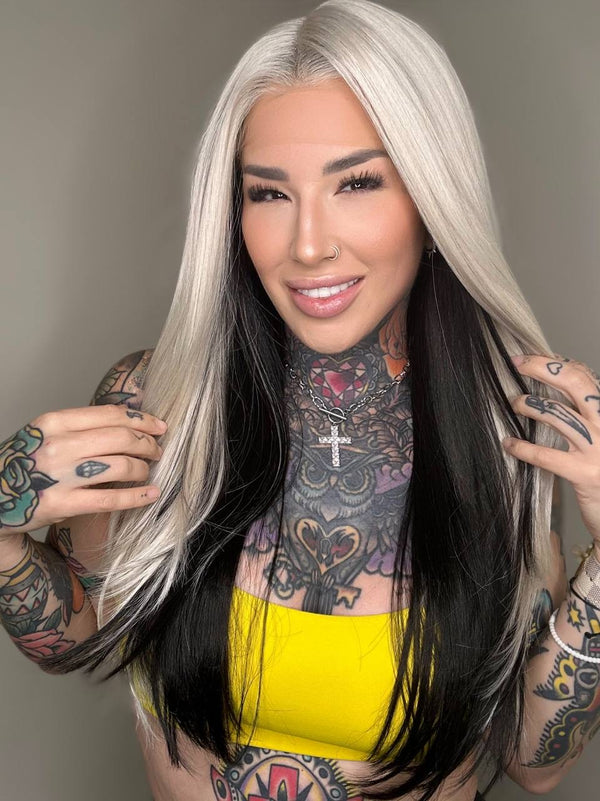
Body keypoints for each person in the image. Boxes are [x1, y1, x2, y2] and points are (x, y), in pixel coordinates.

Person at [1, 1, 599, 799]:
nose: (308, 244)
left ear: (433, 197)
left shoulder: (511, 433)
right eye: (270, 194)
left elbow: (534, 758)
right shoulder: (159, 403)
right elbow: (76, 637)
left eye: (357, 182)